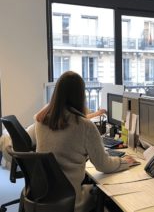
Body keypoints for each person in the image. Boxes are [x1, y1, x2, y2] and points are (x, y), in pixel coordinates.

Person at [34, 71, 137, 212]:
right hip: (71, 199)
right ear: (80, 95)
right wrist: (125, 161)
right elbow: (103, 165)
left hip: (42, 195)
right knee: (106, 197)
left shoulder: (41, 120)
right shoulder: (84, 125)